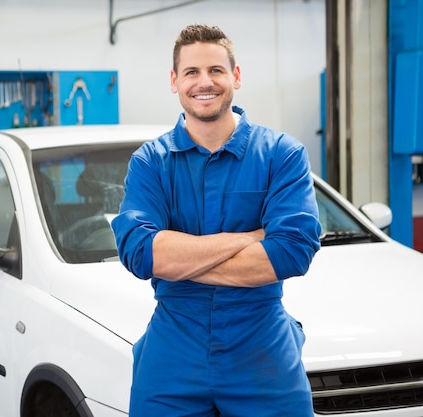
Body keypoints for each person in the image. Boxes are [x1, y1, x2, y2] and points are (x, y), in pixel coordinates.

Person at [111, 24, 322, 417]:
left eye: (216, 70)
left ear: (235, 77)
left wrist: (179, 259)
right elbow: (141, 253)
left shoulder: (281, 155)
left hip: (262, 349)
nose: (203, 82)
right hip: (173, 350)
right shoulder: (151, 162)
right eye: (191, 72)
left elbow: (291, 252)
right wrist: (248, 238)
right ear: (174, 82)